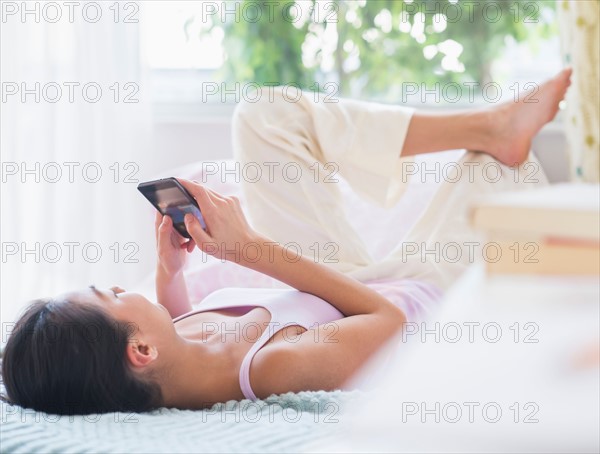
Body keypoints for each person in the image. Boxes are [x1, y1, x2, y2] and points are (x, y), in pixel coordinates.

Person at [1, 69, 572, 415]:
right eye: (109, 293)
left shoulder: (176, 346)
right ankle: (501, 148)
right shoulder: (273, 370)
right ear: (141, 352)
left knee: (264, 114)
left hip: (346, 281)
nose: (120, 285)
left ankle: (486, 124)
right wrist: (251, 252)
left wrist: (169, 275)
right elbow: (387, 317)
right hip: (417, 291)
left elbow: (177, 323)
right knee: (490, 175)